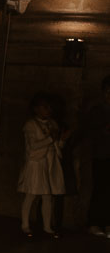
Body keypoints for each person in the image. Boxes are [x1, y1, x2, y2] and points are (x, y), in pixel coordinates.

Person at [19, 93, 65, 238]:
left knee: (47, 195)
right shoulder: (30, 125)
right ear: (36, 109)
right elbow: (33, 146)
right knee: (31, 194)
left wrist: (61, 140)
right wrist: (51, 139)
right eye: (45, 107)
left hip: (49, 163)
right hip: (36, 163)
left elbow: (57, 145)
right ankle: (25, 225)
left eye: (50, 107)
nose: (48, 110)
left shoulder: (53, 123)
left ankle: (47, 226)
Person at [69, 76, 110, 237]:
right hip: (101, 155)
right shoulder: (97, 110)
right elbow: (89, 130)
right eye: (107, 92)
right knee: (100, 189)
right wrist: (103, 131)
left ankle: (107, 223)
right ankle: (94, 222)